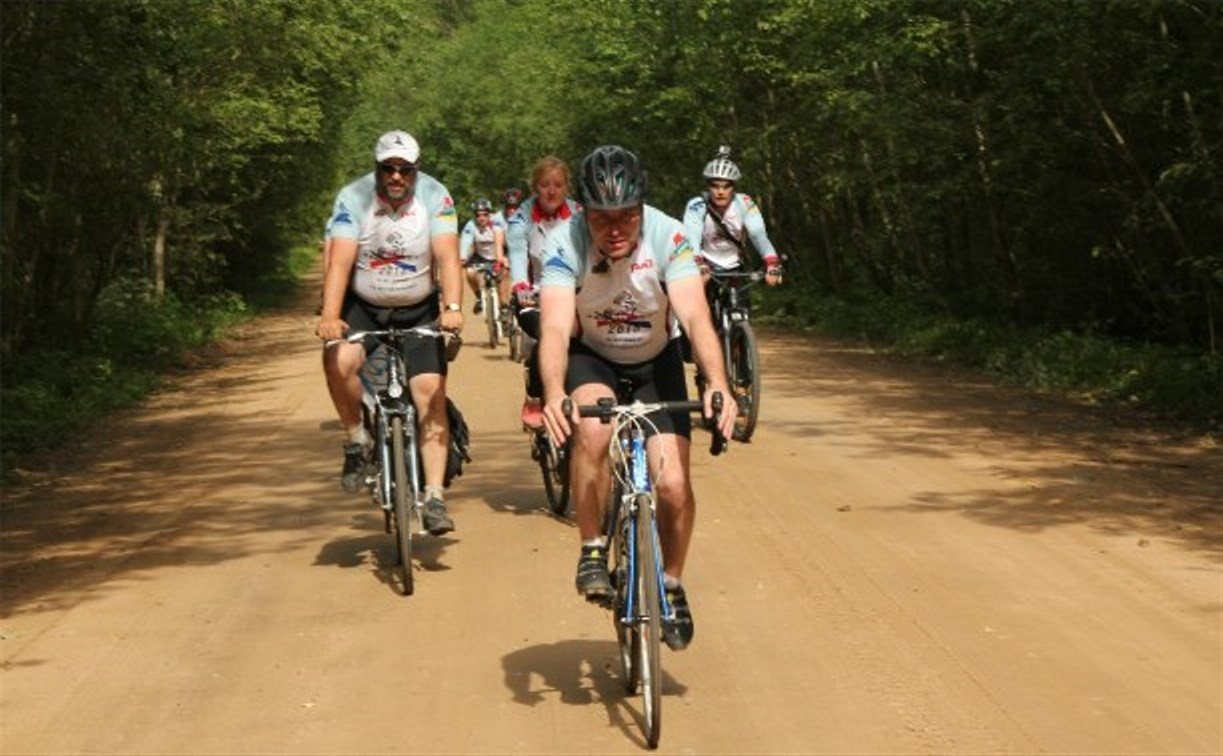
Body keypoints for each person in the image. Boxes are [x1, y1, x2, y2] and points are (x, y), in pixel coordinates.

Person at [537, 145, 737, 651]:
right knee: (594, 428)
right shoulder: (566, 241)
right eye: (603, 218)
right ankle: (591, 548)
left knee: (672, 486)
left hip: (656, 360)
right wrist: (556, 392)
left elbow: (694, 316)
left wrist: (718, 383)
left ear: (642, 207)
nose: (616, 228)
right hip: (593, 357)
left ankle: (671, 582)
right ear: (585, 212)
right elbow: (557, 328)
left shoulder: (670, 235)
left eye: (627, 215)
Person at [316, 130, 463, 536]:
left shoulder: (436, 196)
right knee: (339, 359)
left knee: (429, 394)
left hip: (418, 306)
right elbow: (340, 263)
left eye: (405, 169)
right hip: (364, 306)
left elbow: (448, 258)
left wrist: (451, 309)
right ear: (377, 168)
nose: (397, 177)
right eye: (388, 169)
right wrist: (330, 316)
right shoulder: (354, 196)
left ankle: (433, 496)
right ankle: (357, 439)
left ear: (416, 169)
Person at [506, 156, 582, 426]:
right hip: (535, 293)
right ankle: (537, 394)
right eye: (545, 185)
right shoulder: (521, 218)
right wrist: (520, 286)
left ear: (567, 188)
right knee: (549, 334)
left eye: (558, 185)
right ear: (535, 187)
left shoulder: (579, 215)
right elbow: (516, 254)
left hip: (573, 290)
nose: (552, 191)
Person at [682, 145, 784, 288]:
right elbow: (691, 237)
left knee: (741, 303)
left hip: (735, 266)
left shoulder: (744, 203)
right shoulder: (697, 206)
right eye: (715, 186)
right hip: (705, 264)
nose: (720, 192)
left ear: (733, 187)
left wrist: (772, 263)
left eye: (726, 186)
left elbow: (758, 235)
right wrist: (697, 263)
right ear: (708, 186)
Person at [459, 197, 508, 315]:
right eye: (477, 215)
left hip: (499, 253)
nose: (481, 218)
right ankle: (479, 297)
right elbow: (466, 241)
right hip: (481, 256)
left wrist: (503, 258)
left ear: (489, 214)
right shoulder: (471, 225)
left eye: (485, 215)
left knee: (503, 275)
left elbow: (502, 241)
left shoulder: (497, 222)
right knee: (470, 272)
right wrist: (463, 257)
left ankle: (504, 305)